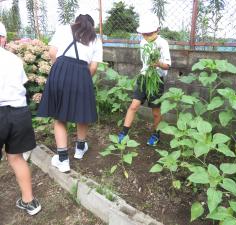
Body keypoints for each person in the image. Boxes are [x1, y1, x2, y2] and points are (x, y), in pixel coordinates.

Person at [37, 13, 103, 173]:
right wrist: (82, 79)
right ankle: (80, 149)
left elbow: (52, 52)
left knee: (60, 116)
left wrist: (60, 68)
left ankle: (63, 159)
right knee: (82, 112)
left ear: (76, 22)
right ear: (91, 26)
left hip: (60, 69)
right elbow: (93, 67)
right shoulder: (96, 39)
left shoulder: (63, 29)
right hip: (82, 72)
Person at [0, 21, 41, 215]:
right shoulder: (14, 59)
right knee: (16, 158)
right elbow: (23, 81)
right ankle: (30, 202)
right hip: (19, 112)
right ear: (4, 39)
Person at [118, 13, 171, 146]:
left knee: (155, 111)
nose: (146, 36)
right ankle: (123, 133)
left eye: (149, 33)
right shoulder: (143, 42)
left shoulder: (162, 43)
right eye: (144, 34)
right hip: (144, 77)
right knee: (134, 105)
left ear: (157, 30)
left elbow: (167, 65)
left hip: (156, 79)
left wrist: (157, 62)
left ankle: (156, 134)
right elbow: (145, 63)